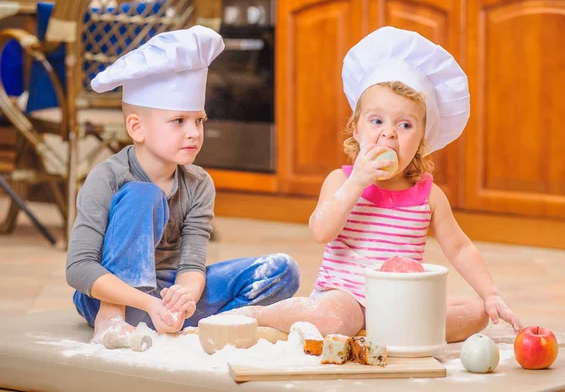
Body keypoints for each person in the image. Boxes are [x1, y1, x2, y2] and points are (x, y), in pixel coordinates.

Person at [225, 27, 522, 342]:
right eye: (377, 120)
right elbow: (321, 231)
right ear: (356, 129)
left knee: (475, 312)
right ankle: (258, 314)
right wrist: (357, 183)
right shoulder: (341, 180)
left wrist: (490, 295)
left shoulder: (429, 196)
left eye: (404, 124)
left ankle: (385, 329)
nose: (389, 133)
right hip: (344, 297)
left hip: (401, 302)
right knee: (332, 318)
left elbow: (460, 247)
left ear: (422, 140)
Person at [65, 25, 300, 343]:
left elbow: (192, 263)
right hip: (110, 299)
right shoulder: (108, 177)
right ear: (137, 127)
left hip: (164, 295)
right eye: (179, 121)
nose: (194, 132)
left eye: (199, 120)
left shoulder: (199, 183)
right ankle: (115, 320)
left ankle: (189, 323)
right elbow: (78, 268)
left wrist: (185, 295)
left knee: (282, 270)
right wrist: (145, 301)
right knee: (143, 195)